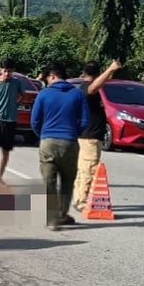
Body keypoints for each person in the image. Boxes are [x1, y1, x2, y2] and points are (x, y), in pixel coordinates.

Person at [29, 63, 90, 230]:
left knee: (49, 181)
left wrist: (44, 134)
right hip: (70, 142)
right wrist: (72, 133)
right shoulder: (78, 94)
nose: (47, 81)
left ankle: (51, 219)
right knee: (67, 181)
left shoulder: (43, 94)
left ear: (53, 76)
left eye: (48, 77)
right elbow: (85, 121)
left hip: (48, 142)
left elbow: (34, 120)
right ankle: (62, 214)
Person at [73, 59, 122, 212]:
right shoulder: (86, 88)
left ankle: (79, 198)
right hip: (90, 137)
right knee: (89, 169)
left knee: (83, 169)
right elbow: (94, 87)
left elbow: (99, 84)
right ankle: (81, 201)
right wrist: (110, 69)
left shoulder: (84, 87)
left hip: (88, 135)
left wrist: (111, 71)